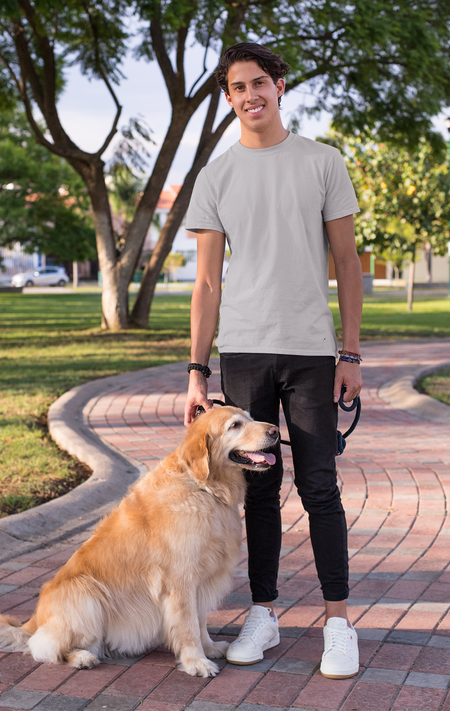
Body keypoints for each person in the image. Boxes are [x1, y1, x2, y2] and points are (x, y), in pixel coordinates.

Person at [184, 42, 363, 679]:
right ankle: (264, 612)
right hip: (246, 351)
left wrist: (350, 352)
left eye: (259, 83)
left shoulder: (322, 161)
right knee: (258, 493)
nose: (249, 96)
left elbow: (346, 263)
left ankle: (338, 623)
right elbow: (206, 284)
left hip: (313, 352)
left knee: (320, 488)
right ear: (228, 97)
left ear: (279, 86)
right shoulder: (216, 174)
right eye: (237, 87)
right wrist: (198, 370)